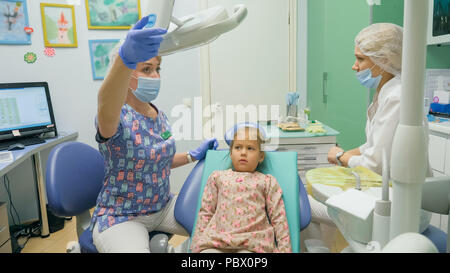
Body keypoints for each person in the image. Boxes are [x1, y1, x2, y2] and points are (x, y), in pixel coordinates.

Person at [90, 15, 219, 253]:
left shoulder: (158, 115)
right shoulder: (115, 118)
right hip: (123, 216)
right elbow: (105, 102)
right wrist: (124, 59)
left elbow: (156, 162)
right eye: (146, 69)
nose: (155, 76)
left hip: (163, 207)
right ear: (126, 76)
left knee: (225, 229)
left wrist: (192, 155)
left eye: (157, 69)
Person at [305, 23, 432, 252]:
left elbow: (375, 164)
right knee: (308, 197)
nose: (354, 67)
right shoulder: (386, 91)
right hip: (389, 197)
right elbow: (376, 145)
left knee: (306, 205)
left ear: (383, 61)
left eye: (360, 59)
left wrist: (343, 156)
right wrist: (349, 153)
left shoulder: (397, 98)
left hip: (401, 209)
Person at [190, 126, 292, 253]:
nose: (243, 152)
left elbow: (278, 217)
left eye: (250, 148)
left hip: (253, 244)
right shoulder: (217, 177)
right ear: (231, 153)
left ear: (261, 156)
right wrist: (196, 245)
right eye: (238, 147)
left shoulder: (267, 182)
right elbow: (206, 212)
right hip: (217, 241)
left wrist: (285, 250)